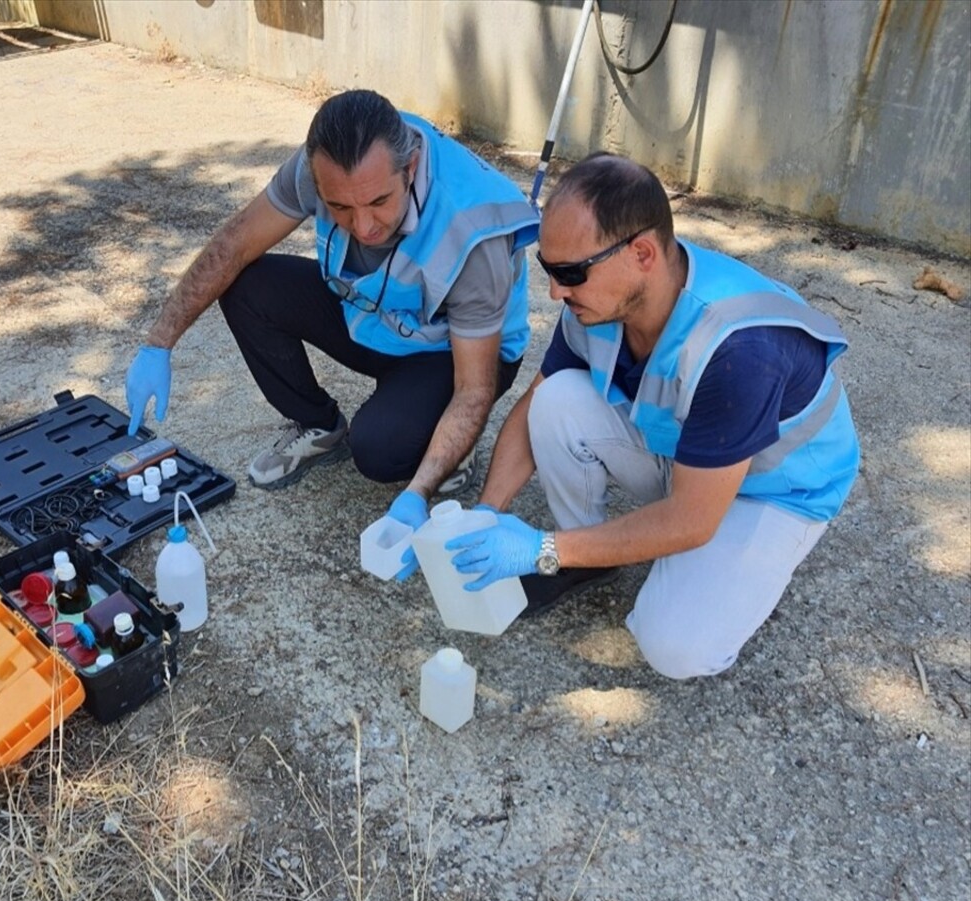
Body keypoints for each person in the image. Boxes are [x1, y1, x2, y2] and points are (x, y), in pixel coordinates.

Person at [445, 153, 860, 680]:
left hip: (776, 490)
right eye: (548, 271)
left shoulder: (741, 351)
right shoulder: (603, 300)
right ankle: (589, 554)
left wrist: (541, 548)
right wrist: (487, 510)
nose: (555, 292)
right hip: (691, 453)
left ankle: (718, 566)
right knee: (556, 402)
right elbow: (534, 408)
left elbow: (692, 519)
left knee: (674, 648)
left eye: (569, 273)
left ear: (642, 253)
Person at [123, 89, 539, 557]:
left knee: (380, 451)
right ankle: (318, 424)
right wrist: (159, 342)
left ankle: (449, 455)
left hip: (452, 354)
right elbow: (235, 244)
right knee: (245, 284)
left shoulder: (471, 231)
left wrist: (419, 491)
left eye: (379, 201)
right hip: (373, 314)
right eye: (340, 207)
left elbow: (474, 390)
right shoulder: (321, 165)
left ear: (411, 167)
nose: (364, 227)